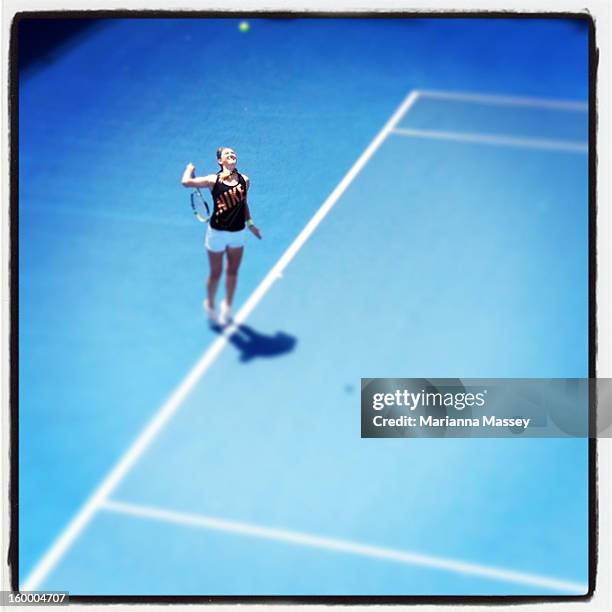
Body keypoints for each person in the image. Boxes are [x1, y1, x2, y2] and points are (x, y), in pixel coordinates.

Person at [181, 147, 261, 325]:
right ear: (220, 161)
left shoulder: (245, 180)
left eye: (234, 154)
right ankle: (210, 305)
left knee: (232, 271)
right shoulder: (212, 180)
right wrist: (189, 170)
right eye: (227, 154)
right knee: (216, 273)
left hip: (237, 233)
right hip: (216, 233)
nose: (232, 155)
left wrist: (250, 224)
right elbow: (186, 182)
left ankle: (227, 307)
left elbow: (243, 204)